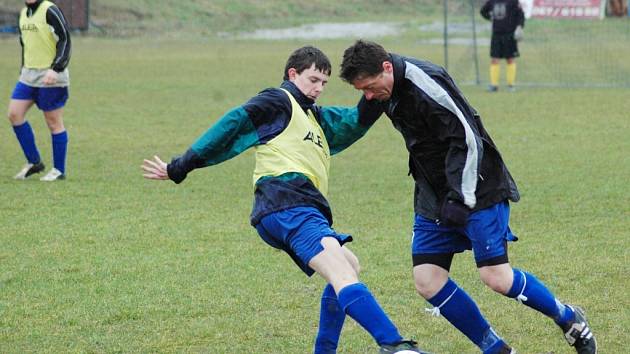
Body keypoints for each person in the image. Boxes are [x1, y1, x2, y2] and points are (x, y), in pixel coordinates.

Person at [141, 46, 429, 354]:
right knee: (341, 271)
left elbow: (353, 121)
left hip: (299, 208)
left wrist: (378, 88)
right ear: (293, 74)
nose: (318, 88)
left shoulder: (314, 117)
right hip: (286, 204)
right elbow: (231, 124)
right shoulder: (278, 101)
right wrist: (180, 165)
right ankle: (393, 344)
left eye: (324, 83)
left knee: (347, 264)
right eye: (313, 79)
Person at [338, 40, 597, 354]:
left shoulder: (425, 82)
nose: (368, 96)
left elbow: (468, 138)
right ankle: (495, 348)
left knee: (497, 278)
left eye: (370, 86)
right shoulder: (381, 89)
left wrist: (461, 197)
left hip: (477, 186)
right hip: (433, 194)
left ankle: (569, 318)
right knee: (428, 280)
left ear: (387, 68)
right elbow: (353, 124)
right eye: (361, 90)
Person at [8, 0, 71, 181]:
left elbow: (65, 39)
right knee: (14, 114)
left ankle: (59, 170)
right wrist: (23, 69)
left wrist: (56, 68)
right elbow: (25, 45)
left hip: (50, 75)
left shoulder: (50, 10)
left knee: (53, 122)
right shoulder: (23, 14)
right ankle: (34, 162)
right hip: (28, 76)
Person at [480, 0, 525, 92]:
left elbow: (520, 14)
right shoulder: (492, 1)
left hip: (510, 35)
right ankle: (494, 85)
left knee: (510, 59)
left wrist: (519, 26)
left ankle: (511, 85)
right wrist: (490, 17)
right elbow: (483, 11)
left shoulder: (513, 1)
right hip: (496, 34)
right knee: (494, 59)